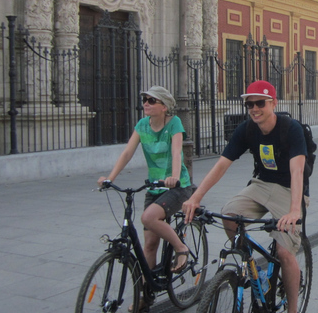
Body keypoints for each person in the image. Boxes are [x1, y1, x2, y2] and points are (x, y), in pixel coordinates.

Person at [182, 80, 307, 313]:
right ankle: (252, 267)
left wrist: (294, 210)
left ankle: (292, 309)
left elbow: (297, 170)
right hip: (261, 184)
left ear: (273, 103)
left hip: (290, 190)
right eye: (249, 104)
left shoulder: (291, 128)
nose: (254, 108)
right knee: (229, 215)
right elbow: (221, 165)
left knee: (284, 252)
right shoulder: (247, 129)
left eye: (260, 103)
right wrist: (195, 197)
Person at [98, 86, 192, 311]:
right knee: (149, 245)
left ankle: (181, 248)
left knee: (148, 218)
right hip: (154, 188)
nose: (146, 103)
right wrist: (109, 178)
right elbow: (127, 153)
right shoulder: (142, 125)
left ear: (164, 106)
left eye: (151, 100)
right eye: (145, 99)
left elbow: (177, 152)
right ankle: (145, 298)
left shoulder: (174, 124)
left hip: (177, 187)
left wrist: (175, 177)